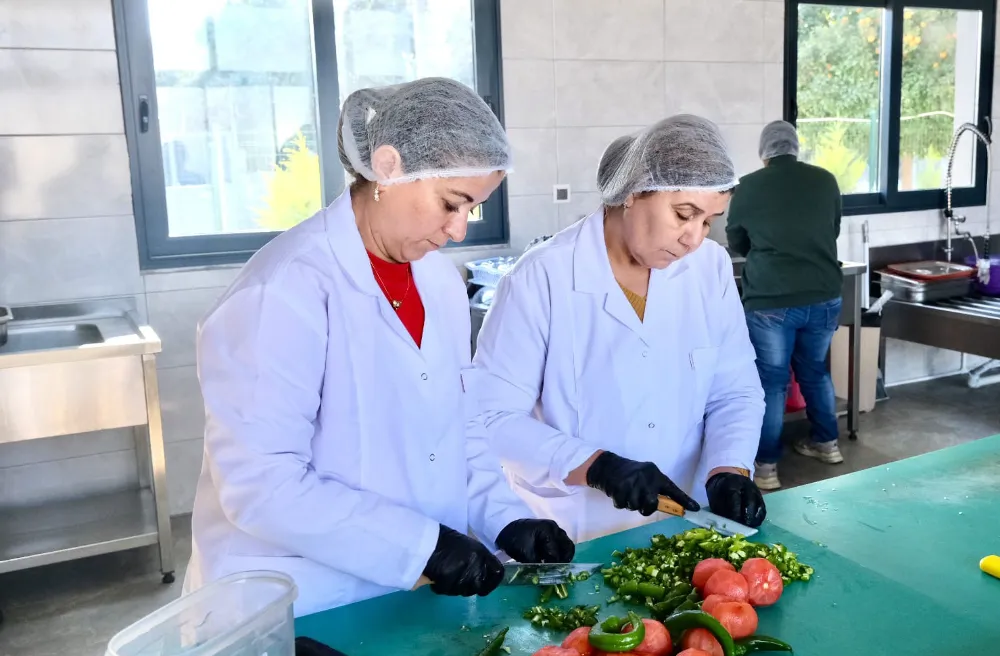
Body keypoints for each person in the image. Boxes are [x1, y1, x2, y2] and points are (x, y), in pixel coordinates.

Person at [184, 77, 574, 616]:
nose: (459, 230)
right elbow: (261, 486)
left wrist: (505, 517)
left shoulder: (437, 284)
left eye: (473, 209)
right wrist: (423, 547)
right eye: (450, 203)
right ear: (389, 168)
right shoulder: (282, 291)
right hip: (298, 605)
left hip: (404, 594)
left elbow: (459, 428)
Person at [473, 116, 767, 543]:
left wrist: (728, 467)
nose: (694, 239)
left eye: (708, 221)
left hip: (682, 522)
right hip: (574, 530)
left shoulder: (709, 268)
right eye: (684, 214)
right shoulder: (543, 277)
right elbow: (491, 418)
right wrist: (595, 465)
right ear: (632, 192)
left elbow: (735, 390)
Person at [725, 120, 844, 491]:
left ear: (764, 153)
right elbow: (833, 228)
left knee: (772, 384)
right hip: (824, 293)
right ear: (796, 147)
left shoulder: (747, 187)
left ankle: (766, 469)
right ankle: (827, 444)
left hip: (771, 301)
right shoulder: (825, 180)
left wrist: (765, 256)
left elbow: (736, 238)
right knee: (815, 372)